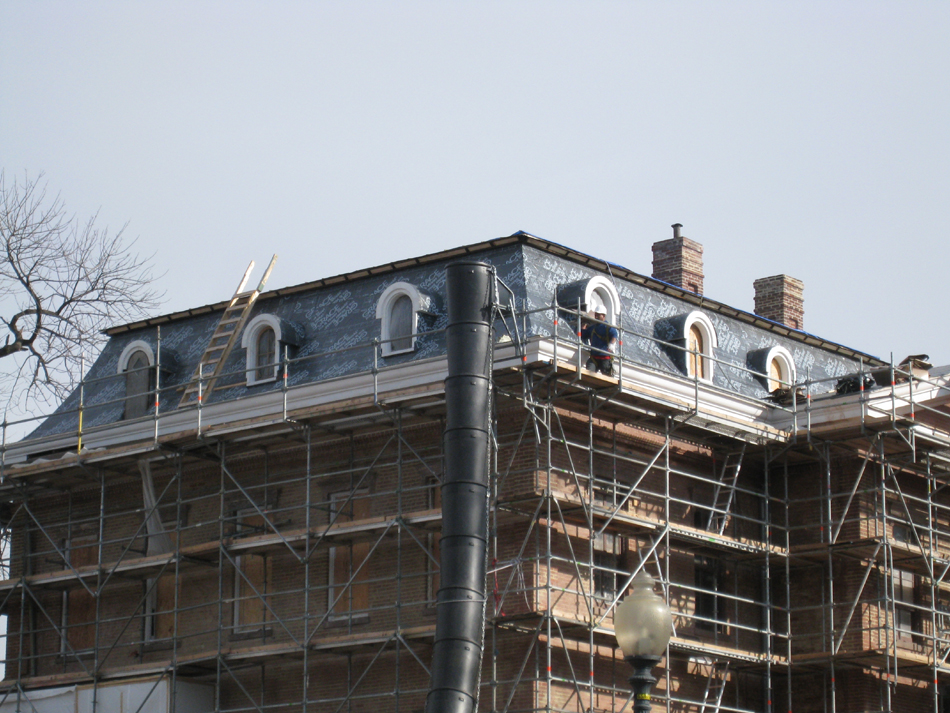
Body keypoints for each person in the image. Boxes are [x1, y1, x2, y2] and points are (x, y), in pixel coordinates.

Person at [581, 310, 619, 375]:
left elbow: (614, 335)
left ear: (603, 316)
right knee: (588, 375)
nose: (596, 316)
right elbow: (583, 335)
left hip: (605, 358)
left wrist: (611, 344)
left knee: (607, 379)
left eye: (598, 315)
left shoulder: (607, 327)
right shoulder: (593, 328)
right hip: (594, 357)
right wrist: (583, 326)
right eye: (596, 315)